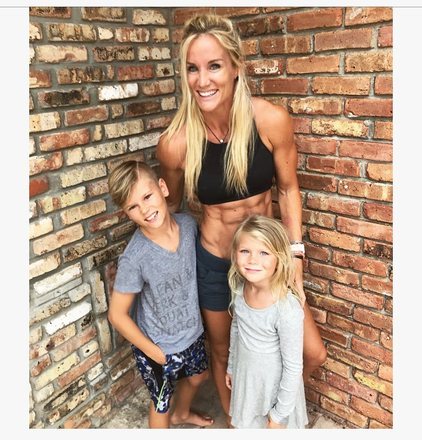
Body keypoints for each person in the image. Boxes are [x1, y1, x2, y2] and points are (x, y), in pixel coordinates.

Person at [156, 13, 327, 424]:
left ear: (235, 67)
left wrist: (296, 255)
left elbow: (288, 189)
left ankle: (274, 416)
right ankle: (240, 425)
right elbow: (171, 210)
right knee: (222, 352)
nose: (202, 80)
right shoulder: (175, 143)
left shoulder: (270, 120)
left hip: (267, 261)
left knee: (312, 352)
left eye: (214, 66)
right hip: (216, 263)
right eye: (192, 69)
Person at [107, 160, 213, 429]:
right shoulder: (135, 257)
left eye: (147, 196)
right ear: (126, 213)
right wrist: (153, 352)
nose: (144, 210)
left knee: (199, 377)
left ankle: (182, 414)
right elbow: (117, 315)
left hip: (191, 332)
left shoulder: (188, 225)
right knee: (161, 401)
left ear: (163, 188)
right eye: (133, 207)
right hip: (157, 344)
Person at [225, 214, 307, 429]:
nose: (253, 260)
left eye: (264, 252)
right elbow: (236, 328)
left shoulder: (286, 309)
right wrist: (232, 367)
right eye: (245, 251)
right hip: (247, 380)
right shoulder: (240, 288)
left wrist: (278, 416)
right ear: (235, 254)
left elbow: (293, 368)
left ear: (279, 258)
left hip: (273, 391)